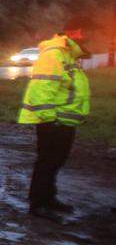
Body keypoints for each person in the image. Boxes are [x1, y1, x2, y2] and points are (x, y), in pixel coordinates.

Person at [18, 29, 91, 223]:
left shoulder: (67, 55)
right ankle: (38, 204)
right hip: (54, 121)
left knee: (56, 161)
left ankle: (48, 198)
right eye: (85, 33)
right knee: (48, 162)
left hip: (63, 121)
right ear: (76, 33)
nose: (88, 38)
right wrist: (49, 119)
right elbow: (42, 88)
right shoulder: (54, 54)